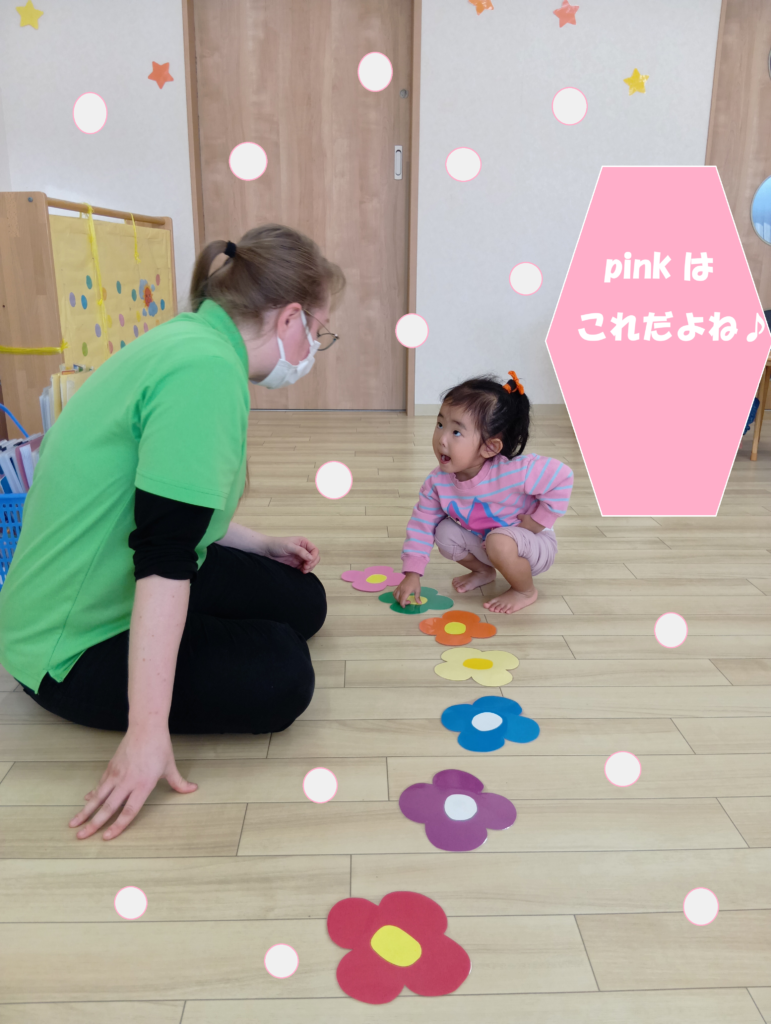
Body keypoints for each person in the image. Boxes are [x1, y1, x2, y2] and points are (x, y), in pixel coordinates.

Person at [0, 224, 345, 841]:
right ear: (291, 317)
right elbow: (164, 554)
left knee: (304, 600)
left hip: (114, 572)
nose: (314, 348)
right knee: (284, 672)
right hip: (68, 645)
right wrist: (146, 730)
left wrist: (260, 544)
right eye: (319, 331)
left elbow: (169, 503)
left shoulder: (195, 342)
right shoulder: (205, 372)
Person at [392, 371, 573, 614]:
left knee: (499, 541)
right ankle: (484, 571)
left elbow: (563, 476)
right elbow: (421, 525)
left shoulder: (514, 471)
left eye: (456, 432)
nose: (441, 439)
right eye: (440, 424)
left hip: (534, 544)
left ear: (490, 447)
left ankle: (524, 591)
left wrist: (540, 521)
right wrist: (412, 573)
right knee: (444, 532)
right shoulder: (437, 483)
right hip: (489, 544)